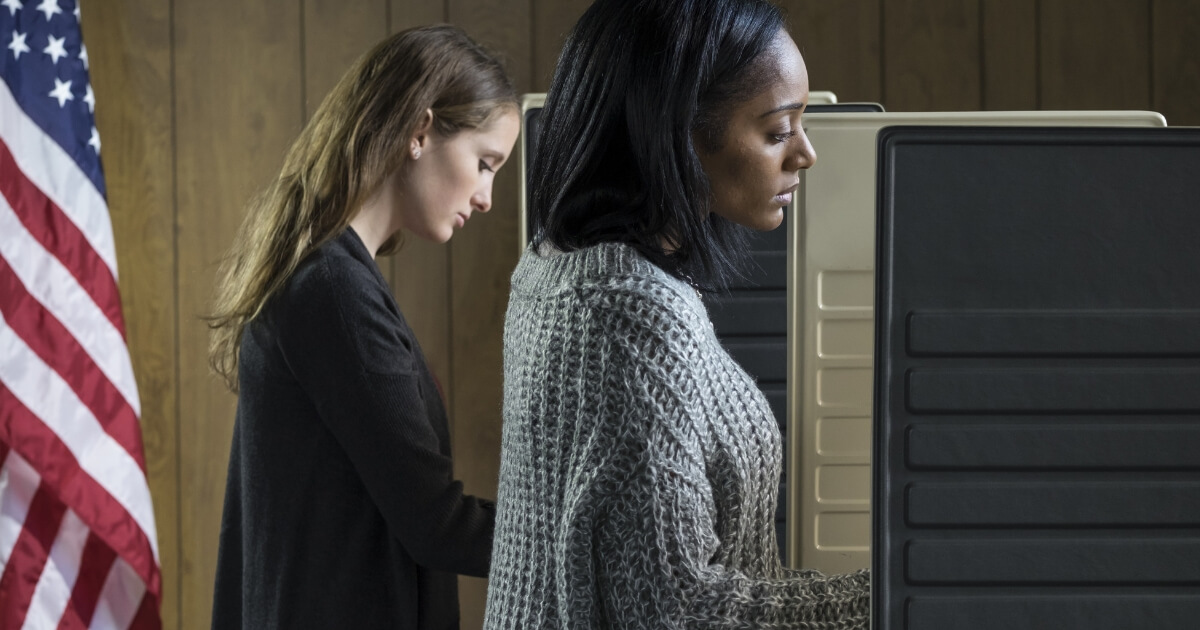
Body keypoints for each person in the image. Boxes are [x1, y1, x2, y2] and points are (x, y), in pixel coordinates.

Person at [484, 0, 869, 628]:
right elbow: (680, 610)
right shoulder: (625, 315)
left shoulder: (560, 266)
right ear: (679, 132)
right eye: (777, 130)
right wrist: (891, 598)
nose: (805, 153)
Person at [206, 25, 519, 629]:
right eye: (484, 163)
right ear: (421, 131)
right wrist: (590, 542)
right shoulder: (334, 291)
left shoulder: (334, 277)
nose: (485, 197)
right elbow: (436, 525)